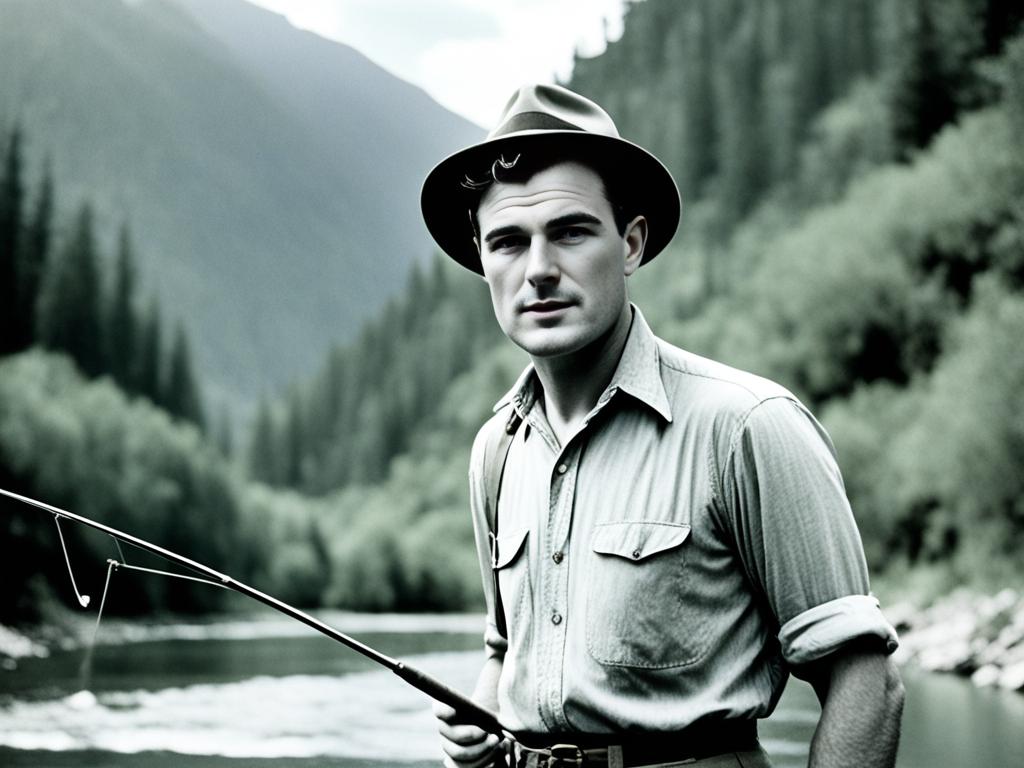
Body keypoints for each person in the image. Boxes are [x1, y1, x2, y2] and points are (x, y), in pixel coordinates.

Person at [420, 84, 904, 768]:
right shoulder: (496, 452)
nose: (539, 270)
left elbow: (867, 682)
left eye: (570, 231)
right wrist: (482, 723)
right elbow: (503, 653)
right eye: (507, 242)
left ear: (631, 243)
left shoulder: (747, 428)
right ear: (482, 261)